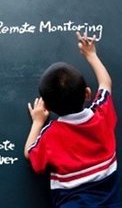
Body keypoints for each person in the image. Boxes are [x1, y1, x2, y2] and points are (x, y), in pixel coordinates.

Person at [24, 32, 120, 207]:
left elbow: (30, 154)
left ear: (48, 107)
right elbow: (106, 84)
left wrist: (38, 122)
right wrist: (91, 55)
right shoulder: (102, 114)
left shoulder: (51, 135)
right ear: (87, 94)